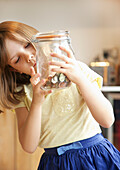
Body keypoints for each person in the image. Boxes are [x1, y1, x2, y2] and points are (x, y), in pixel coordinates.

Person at [0, 21, 120, 170]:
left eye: (27, 45)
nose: (29, 57)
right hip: (55, 164)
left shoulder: (78, 69)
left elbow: (107, 120)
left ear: (40, 40)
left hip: (96, 157)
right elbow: (29, 146)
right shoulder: (22, 93)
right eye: (17, 59)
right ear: (14, 70)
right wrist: (37, 102)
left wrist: (80, 79)